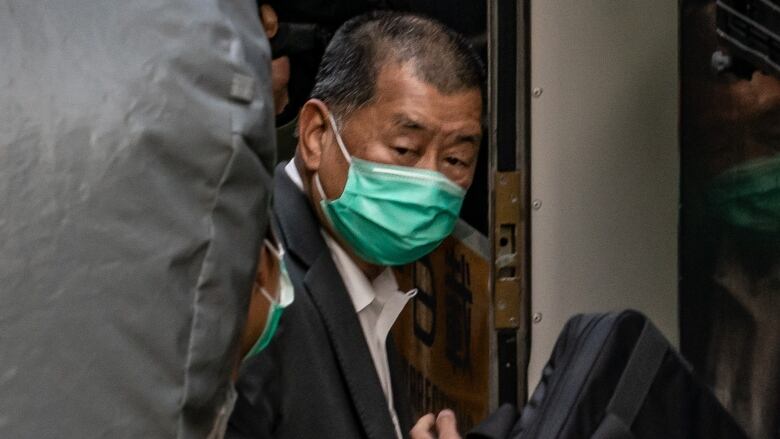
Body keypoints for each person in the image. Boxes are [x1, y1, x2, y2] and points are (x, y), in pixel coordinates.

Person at [227, 11, 484, 439]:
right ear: (315, 136)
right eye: (405, 149)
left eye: (455, 160)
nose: (430, 181)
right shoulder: (257, 290)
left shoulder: (361, 270)